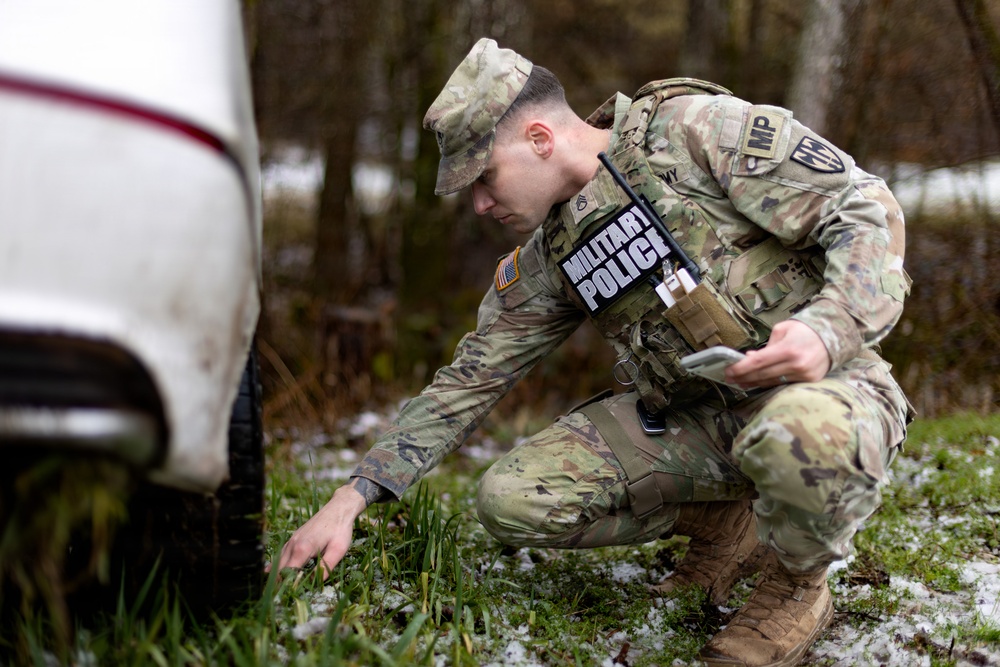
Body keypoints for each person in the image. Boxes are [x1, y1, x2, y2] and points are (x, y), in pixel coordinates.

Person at [276, 38, 913, 666]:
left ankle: (797, 588)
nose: (480, 203)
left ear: (539, 139)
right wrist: (352, 497)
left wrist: (828, 329)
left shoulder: (692, 131)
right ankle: (728, 527)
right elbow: (469, 379)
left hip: (829, 394)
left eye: (485, 176)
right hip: (702, 421)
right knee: (512, 498)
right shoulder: (552, 255)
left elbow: (865, 209)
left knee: (797, 436)